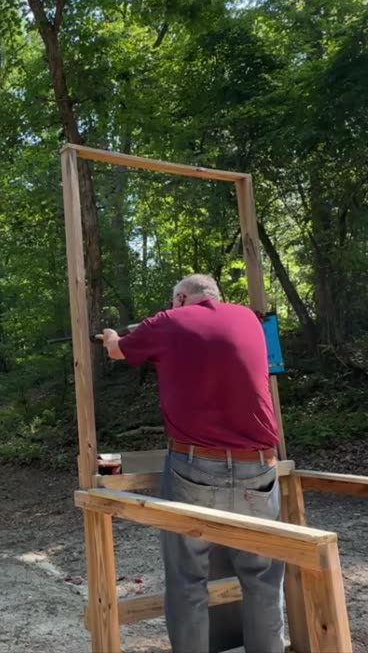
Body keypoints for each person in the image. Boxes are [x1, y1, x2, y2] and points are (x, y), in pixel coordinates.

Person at [99, 274, 284, 653]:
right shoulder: (248, 318)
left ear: (181, 297)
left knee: (188, 580)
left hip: (196, 468)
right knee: (263, 579)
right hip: (259, 467)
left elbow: (118, 351)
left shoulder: (167, 322)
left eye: (173, 301)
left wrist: (111, 336)